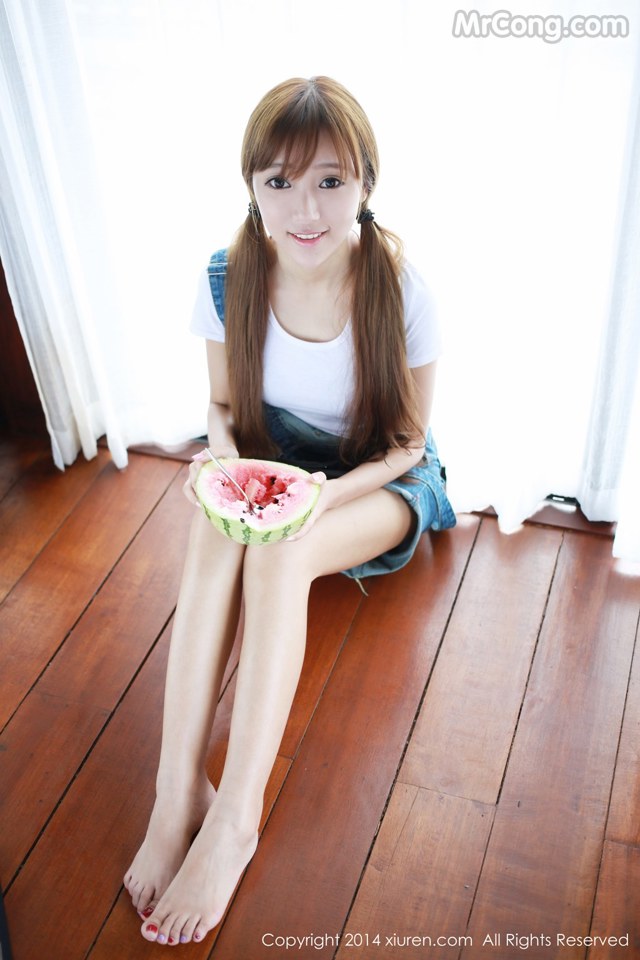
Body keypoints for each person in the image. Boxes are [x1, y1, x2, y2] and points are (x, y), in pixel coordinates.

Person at [123, 75, 455, 947]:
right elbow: (224, 414)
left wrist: (316, 496)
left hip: (375, 480)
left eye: (330, 181)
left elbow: (410, 447)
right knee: (209, 522)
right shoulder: (227, 276)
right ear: (252, 189)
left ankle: (234, 820)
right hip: (271, 458)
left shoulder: (403, 288)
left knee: (275, 553)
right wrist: (226, 468)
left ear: (367, 185)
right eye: (279, 182)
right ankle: (174, 797)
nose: (304, 208)